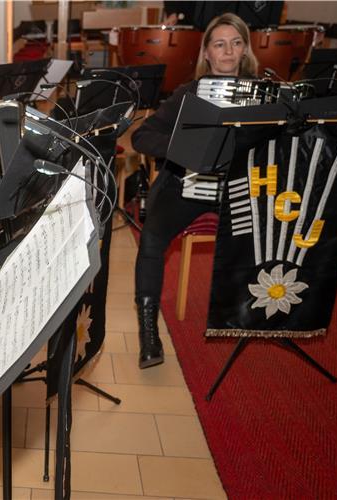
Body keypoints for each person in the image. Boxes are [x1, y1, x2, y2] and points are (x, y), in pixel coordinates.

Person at [131, 13, 258, 369]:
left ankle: (249, 312)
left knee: (265, 230)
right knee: (153, 237)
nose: (228, 51)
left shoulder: (263, 93)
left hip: (238, 187)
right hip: (186, 186)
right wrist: (183, 146)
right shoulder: (188, 94)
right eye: (220, 44)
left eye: (235, 43)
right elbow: (142, 137)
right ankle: (148, 329)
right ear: (207, 52)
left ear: (245, 48)